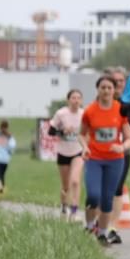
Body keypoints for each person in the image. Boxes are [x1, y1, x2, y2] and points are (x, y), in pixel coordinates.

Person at [80, 75, 130, 243]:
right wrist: (85, 147)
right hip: (94, 158)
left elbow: (129, 138)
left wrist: (122, 146)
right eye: (103, 87)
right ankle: (89, 226)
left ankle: (102, 233)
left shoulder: (120, 110)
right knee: (93, 196)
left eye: (109, 87)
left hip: (115, 160)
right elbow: (81, 134)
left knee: (107, 198)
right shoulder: (90, 110)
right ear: (98, 89)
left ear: (114, 90)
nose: (106, 90)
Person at [105, 66, 130, 244]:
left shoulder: (129, 104)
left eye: (121, 81)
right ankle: (100, 224)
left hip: (122, 152)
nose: (118, 85)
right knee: (101, 190)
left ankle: (112, 228)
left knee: (117, 189)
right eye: (114, 82)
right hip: (99, 154)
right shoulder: (101, 103)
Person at [49, 89, 85, 221]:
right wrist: (63, 131)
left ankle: (74, 211)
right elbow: (51, 131)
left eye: (78, 98)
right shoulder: (61, 113)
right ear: (68, 100)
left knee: (75, 181)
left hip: (78, 151)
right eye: (73, 98)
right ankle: (64, 206)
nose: (76, 100)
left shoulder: (84, 114)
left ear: (81, 101)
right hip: (63, 151)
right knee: (65, 185)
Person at [0, 120, 17, 197]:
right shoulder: (9, 136)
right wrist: (8, 149)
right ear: (7, 127)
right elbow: (12, 146)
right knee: (2, 175)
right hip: (5, 159)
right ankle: (1, 190)